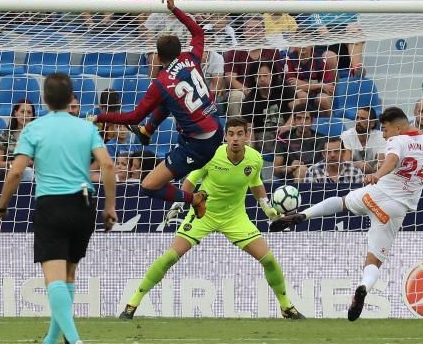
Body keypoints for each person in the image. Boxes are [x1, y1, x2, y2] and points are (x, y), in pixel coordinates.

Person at [118, 117, 305, 320]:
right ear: (225, 136)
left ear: (247, 136)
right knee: (171, 256)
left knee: (268, 260)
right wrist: (181, 203)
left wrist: (266, 207)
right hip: (203, 213)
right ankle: (132, 303)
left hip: (235, 217)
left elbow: (255, 181)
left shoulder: (255, 158)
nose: (235, 139)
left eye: (240, 134)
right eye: (231, 134)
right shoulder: (211, 154)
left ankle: (286, 306)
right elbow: (191, 179)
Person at [0, 73, 118, 344]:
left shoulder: (35, 129)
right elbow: (108, 166)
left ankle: (73, 341)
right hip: (84, 204)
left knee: (53, 279)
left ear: (45, 99)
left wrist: (1, 206)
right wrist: (110, 206)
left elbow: (14, 171)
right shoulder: (85, 128)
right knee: (68, 275)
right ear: (71, 96)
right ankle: (50, 342)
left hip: (52, 205)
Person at [269, 107, 423, 322]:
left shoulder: (398, 140)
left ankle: (303, 215)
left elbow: (392, 159)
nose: (383, 135)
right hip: (396, 210)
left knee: (342, 202)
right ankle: (363, 287)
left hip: (376, 195)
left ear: (399, 127)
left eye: (385, 129)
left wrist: (377, 174)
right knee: (374, 261)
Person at [89, 0, 221, 218]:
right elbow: (198, 33)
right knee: (170, 101)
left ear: (158, 57)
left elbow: (134, 116)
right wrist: (175, 9)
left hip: (198, 145)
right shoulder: (191, 57)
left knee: (149, 186)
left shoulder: (160, 83)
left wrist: (102, 117)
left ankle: (195, 199)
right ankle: (147, 131)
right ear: (179, 51)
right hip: (216, 126)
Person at [340, 106, 385, 174]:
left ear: (372, 123)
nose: (358, 121)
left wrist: (377, 167)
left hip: (375, 176)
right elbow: (346, 163)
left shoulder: (381, 136)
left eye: (363, 118)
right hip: (352, 175)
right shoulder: (346, 135)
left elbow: (381, 162)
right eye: (357, 118)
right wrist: (357, 164)